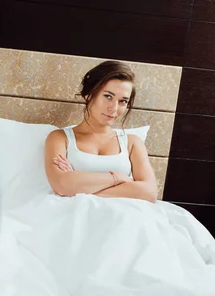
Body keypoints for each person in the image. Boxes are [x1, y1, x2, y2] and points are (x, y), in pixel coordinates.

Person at [45, 61, 157, 203]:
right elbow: (61, 185)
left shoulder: (132, 142)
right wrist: (119, 179)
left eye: (122, 101)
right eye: (108, 96)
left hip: (123, 216)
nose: (114, 108)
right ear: (89, 94)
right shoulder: (60, 138)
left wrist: (79, 186)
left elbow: (149, 192)